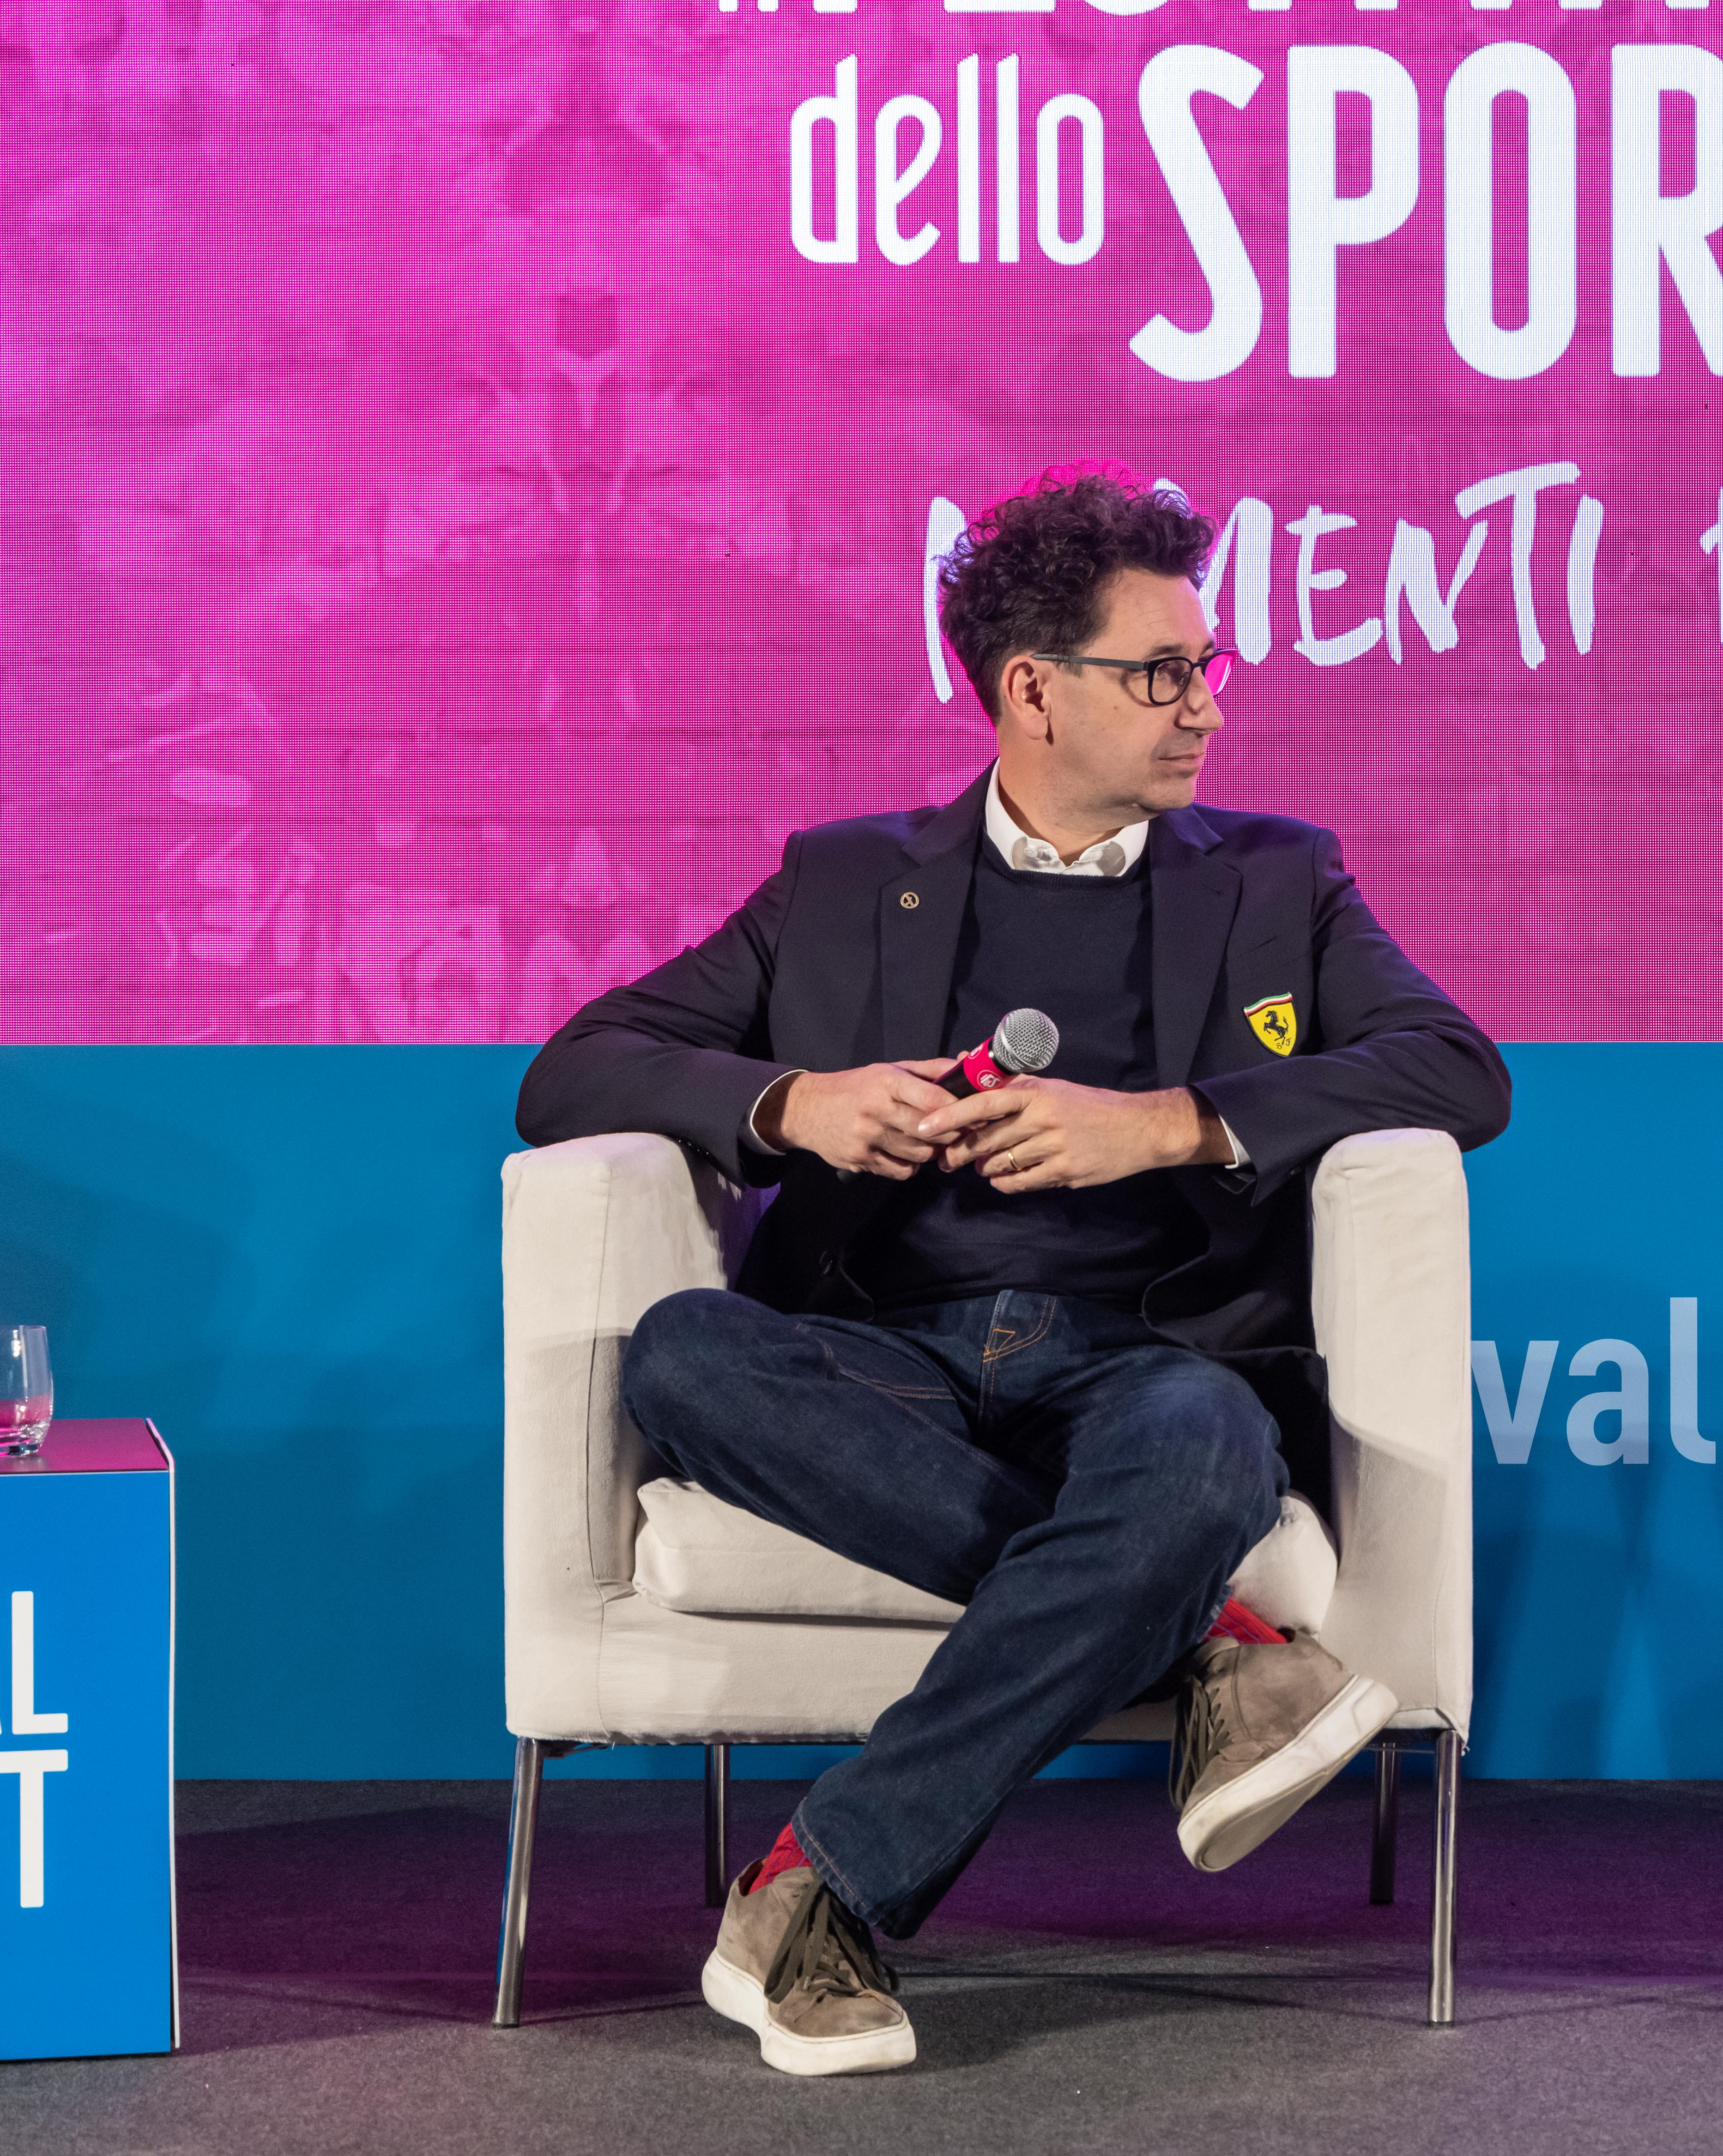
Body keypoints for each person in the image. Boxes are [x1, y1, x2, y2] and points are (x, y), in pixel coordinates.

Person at [517, 465, 1510, 2077]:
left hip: (1147, 1356)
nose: (1204, 706)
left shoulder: (1275, 880)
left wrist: (1176, 1127)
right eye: (1162, 673)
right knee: (681, 1356)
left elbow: (1458, 1073)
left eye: (1209, 668)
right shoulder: (846, 882)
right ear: (1030, 692)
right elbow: (576, 1070)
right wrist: (796, 1106)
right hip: (882, 1350)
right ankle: (1208, 1652)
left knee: (1201, 1461)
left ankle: (817, 1885)